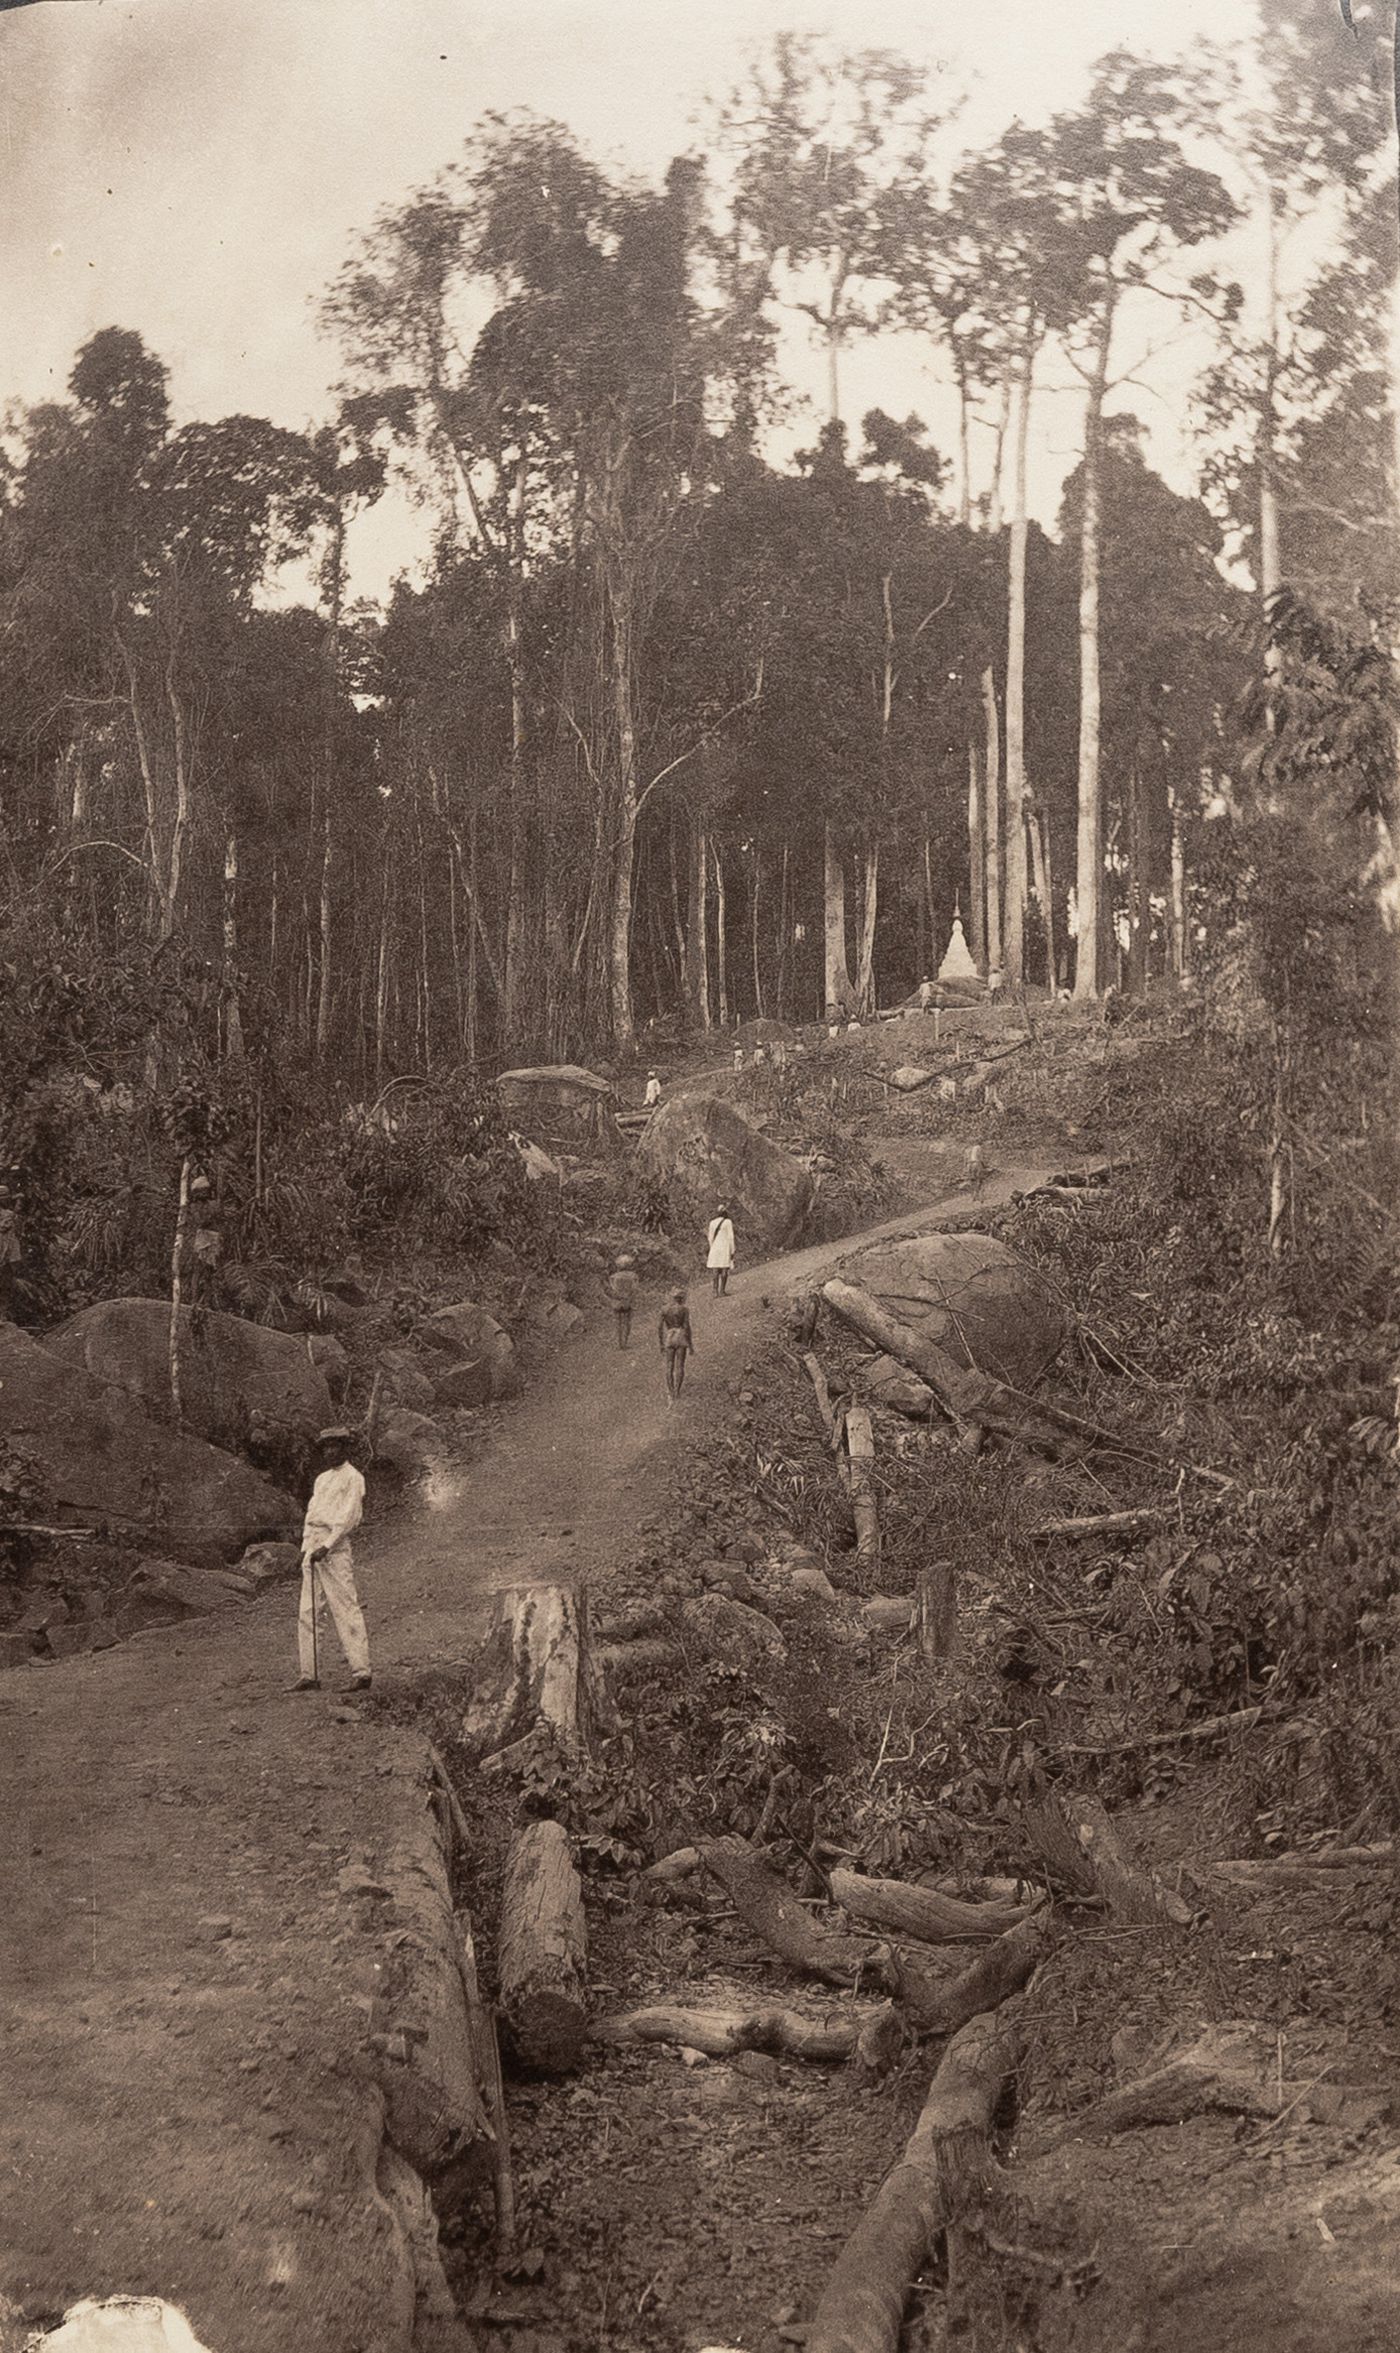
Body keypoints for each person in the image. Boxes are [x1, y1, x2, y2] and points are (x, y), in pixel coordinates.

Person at [294, 1427, 370, 1692]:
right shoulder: (322, 1479)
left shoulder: (353, 1478)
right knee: (308, 1611)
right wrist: (307, 1547)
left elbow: (348, 1517)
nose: (330, 1452)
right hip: (313, 1549)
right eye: (326, 1448)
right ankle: (310, 1673)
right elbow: (312, 1513)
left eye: (335, 1446)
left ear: (345, 1448)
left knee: (344, 1607)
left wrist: (327, 1546)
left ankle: (361, 1671)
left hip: (334, 1550)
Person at [658, 1288, 694, 1404]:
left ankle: (671, 1391)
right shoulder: (684, 1309)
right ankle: (677, 1391)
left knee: (669, 1365)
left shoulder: (664, 1309)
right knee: (680, 1365)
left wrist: (661, 1344)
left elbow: (659, 1327)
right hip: (680, 1335)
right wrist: (690, 1344)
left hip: (669, 1336)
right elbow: (687, 1327)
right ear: (681, 1298)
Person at [605, 1253, 639, 1349]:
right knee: (627, 1322)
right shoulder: (633, 1276)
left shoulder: (613, 1277)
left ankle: (619, 1343)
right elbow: (634, 1289)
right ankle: (625, 1343)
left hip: (617, 1302)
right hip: (627, 1302)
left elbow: (613, 1290)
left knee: (618, 1322)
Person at [706, 1202, 736, 1297]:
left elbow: (710, 1238)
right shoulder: (728, 1222)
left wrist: (712, 1248)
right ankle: (722, 1291)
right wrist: (732, 1250)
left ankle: (715, 1291)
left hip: (715, 1247)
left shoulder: (712, 1223)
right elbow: (731, 1237)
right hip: (725, 1246)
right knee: (724, 1269)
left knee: (715, 1269)